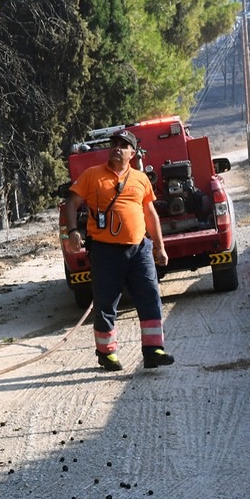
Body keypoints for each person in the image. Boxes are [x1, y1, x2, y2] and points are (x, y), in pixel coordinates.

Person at [64, 128, 175, 371]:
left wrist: (160, 246)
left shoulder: (141, 179)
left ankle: (154, 350)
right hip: (105, 251)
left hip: (139, 250)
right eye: (114, 143)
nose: (116, 147)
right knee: (105, 301)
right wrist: (72, 232)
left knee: (149, 296)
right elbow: (71, 203)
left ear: (132, 153)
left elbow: (150, 213)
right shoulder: (92, 175)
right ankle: (106, 353)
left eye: (123, 145)